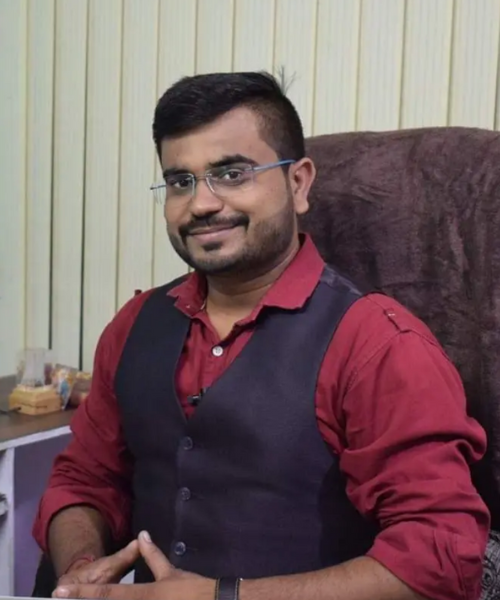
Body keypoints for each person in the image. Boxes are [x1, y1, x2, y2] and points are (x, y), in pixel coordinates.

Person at [34, 72, 490, 600]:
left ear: (298, 184)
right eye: (180, 181)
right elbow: (84, 481)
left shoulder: (379, 345)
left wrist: (221, 596)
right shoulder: (134, 324)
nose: (201, 204)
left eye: (232, 174)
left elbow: (440, 558)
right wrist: (82, 566)